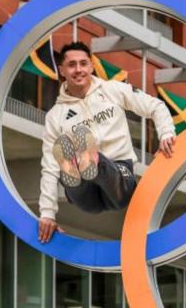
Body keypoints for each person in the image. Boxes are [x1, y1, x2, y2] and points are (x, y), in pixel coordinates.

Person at [37, 41, 176, 243]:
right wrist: (47, 213)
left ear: (91, 66)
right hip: (85, 193)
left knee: (96, 159)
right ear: (62, 70)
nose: (78, 70)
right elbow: (49, 167)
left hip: (118, 176)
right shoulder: (55, 116)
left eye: (83, 64)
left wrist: (166, 134)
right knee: (69, 171)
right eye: (72, 65)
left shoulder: (113, 90)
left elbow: (155, 106)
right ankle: (75, 164)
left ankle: (88, 158)